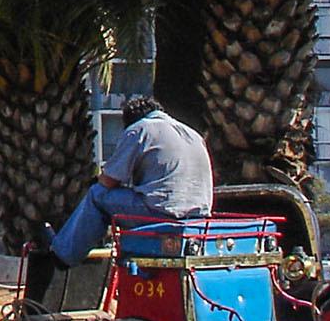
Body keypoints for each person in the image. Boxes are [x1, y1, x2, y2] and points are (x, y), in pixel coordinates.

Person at [48, 95, 214, 267]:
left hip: (162, 214)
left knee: (97, 195)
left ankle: (63, 254)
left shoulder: (139, 129)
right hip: (198, 219)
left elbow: (108, 181)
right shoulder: (191, 133)